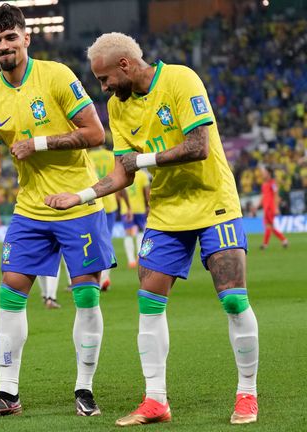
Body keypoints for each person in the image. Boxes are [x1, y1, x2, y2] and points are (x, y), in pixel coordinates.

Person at [46, 32, 259, 426]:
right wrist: (80, 196)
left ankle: (247, 393)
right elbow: (122, 173)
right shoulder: (117, 106)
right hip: (165, 213)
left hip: (214, 203)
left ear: (124, 65)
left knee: (232, 300)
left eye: (105, 78)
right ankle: (156, 400)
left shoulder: (181, 80)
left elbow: (199, 146)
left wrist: (144, 160)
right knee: (148, 303)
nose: (103, 87)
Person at [0, 4, 113, 419]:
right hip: (30, 209)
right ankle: (8, 392)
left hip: (78, 203)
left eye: (11, 37)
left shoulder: (58, 76)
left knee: (84, 294)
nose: (4, 45)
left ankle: (84, 388)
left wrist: (39, 144)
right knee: (10, 290)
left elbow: (96, 134)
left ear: (26, 38)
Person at [87, 145, 122, 289]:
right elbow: (119, 176)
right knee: (106, 242)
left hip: (92, 203)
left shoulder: (87, 155)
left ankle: (90, 279)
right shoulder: (110, 155)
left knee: (90, 243)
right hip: (110, 203)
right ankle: (104, 279)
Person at [120, 169, 150, 268]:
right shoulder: (143, 175)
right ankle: (139, 255)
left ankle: (131, 260)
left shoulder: (124, 173)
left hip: (126, 209)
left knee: (128, 234)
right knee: (141, 231)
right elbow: (147, 193)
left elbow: (119, 192)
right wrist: (148, 206)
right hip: (140, 208)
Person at [259, 166, 288, 249]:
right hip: (266, 208)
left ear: (269, 173)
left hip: (270, 208)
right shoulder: (264, 184)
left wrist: (276, 207)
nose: (263, 174)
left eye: (264, 173)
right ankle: (284, 240)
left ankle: (265, 244)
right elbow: (263, 196)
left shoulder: (273, 183)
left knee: (268, 226)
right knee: (270, 226)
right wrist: (257, 205)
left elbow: (276, 195)